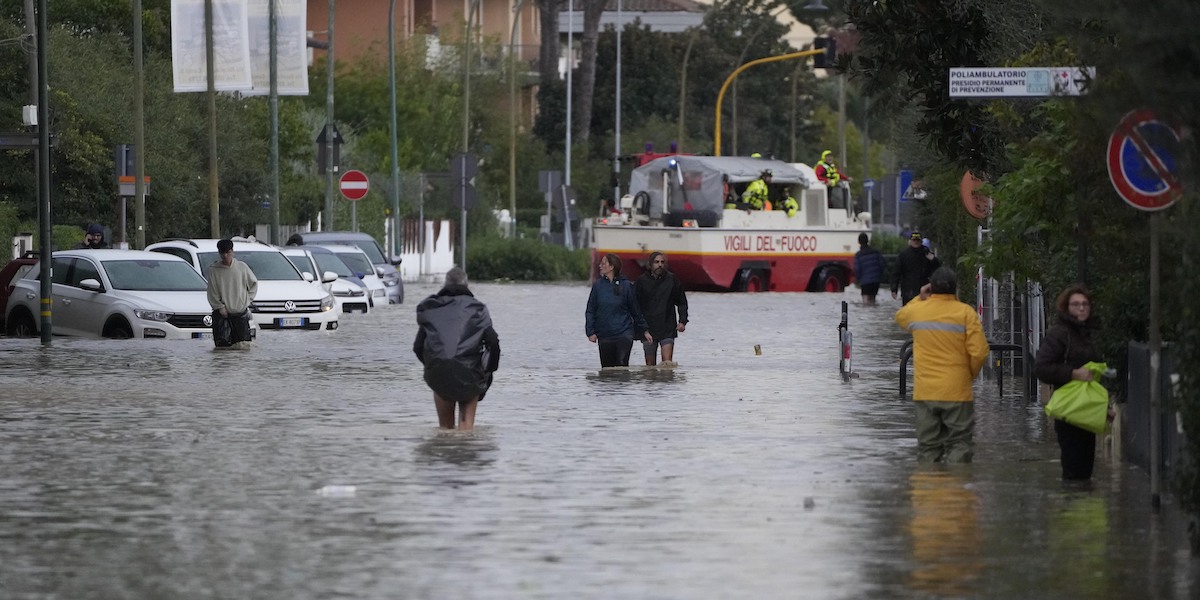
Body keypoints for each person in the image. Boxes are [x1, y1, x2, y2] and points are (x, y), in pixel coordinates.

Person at [894, 267, 990, 463]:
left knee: (928, 448)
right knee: (959, 445)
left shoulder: (918, 311)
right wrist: (968, 375)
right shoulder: (966, 313)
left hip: (926, 392)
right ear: (955, 288)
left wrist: (920, 298)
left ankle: (930, 489)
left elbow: (900, 317)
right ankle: (956, 489)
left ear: (931, 288)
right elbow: (979, 352)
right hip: (957, 391)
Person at [413, 267, 501, 432]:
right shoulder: (478, 309)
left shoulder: (432, 308)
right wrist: (488, 370)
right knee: (466, 432)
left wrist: (434, 364)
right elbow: (493, 343)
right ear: (467, 285)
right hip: (470, 375)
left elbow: (418, 347)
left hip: (439, 374)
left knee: (445, 431)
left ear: (445, 284)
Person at [1034, 285, 1104, 480]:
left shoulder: (1091, 335)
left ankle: (1082, 508)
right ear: (1066, 308)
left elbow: (1095, 378)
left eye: (1085, 304)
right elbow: (1041, 368)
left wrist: (1104, 408)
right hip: (1068, 410)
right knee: (1073, 470)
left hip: (1087, 411)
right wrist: (1073, 373)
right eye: (1075, 304)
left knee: (1086, 470)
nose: (1081, 308)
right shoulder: (1059, 334)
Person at [585, 253, 652, 367]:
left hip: (623, 333)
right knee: (607, 370)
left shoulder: (626, 286)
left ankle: (622, 385)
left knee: (621, 366)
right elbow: (590, 310)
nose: (600, 265)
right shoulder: (598, 286)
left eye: (603, 263)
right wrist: (590, 331)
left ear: (612, 267)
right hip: (604, 334)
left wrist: (645, 330)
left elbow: (635, 310)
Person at [635, 252, 689, 366]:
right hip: (648, 328)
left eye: (662, 262)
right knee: (650, 366)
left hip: (667, 326)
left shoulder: (672, 280)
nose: (660, 265)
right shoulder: (641, 281)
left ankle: (666, 383)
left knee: (667, 364)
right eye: (657, 262)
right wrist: (639, 326)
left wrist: (682, 321)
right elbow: (635, 305)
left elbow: (682, 302)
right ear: (650, 264)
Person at [206, 238, 257, 347]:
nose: (225, 256)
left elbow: (253, 284)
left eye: (228, 252)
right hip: (222, 314)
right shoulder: (214, 270)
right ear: (219, 253)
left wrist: (247, 300)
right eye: (222, 253)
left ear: (232, 252)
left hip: (240, 313)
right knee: (223, 347)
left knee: (243, 346)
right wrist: (219, 307)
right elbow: (212, 291)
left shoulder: (242, 267)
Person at [892, 231, 942, 304]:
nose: (916, 242)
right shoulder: (903, 255)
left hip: (924, 290)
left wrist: (933, 260)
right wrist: (894, 289)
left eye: (918, 240)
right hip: (908, 291)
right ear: (910, 241)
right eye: (914, 240)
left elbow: (937, 268)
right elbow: (896, 272)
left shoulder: (926, 253)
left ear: (921, 241)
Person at [854, 232, 886, 305]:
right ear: (868, 241)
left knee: (865, 302)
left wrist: (858, 279)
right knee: (873, 300)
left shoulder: (858, 255)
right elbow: (882, 264)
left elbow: (857, 269)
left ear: (859, 242)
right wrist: (879, 275)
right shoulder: (876, 252)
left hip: (865, 282)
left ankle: (867, 315)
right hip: (875, 281)